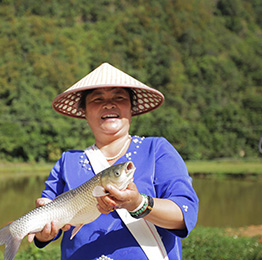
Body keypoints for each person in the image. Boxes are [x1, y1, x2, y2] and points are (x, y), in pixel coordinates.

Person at [27, 63, 199, 260]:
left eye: (119, 97)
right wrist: (42, 232)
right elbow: (48, 220)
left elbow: (185, 214)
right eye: (97, 99)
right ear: (83, 111)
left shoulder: (156, 149)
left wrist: (138, 203)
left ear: (131, 108)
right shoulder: (68, 161)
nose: (108, 104)